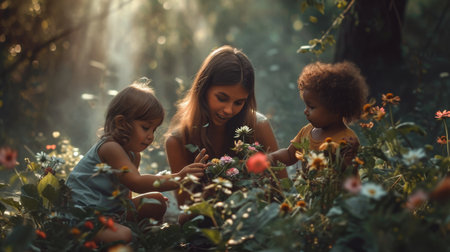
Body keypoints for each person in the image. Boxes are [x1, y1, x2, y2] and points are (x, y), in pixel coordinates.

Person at [66, 78, 208, 244]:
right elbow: (137, 182)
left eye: (154, 129)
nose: (151, 136)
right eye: (145, 127)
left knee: (157, 201)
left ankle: (144, 240)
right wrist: (179, 178)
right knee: (123, 235)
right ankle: (77, 238)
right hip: (84, 217)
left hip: (110, 212)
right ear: (122, 123)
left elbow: (127, 198)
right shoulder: (110, 148)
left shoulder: (133, 155)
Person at [165, 45, 287, 209]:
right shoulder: (178, 141)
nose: (229, 110)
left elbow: (284, 190)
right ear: (203, 89)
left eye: (239, 102)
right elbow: (186, 209)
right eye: (222, 98)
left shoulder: (258, 126)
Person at [268, 61, 369, 168]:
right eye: (306, 105)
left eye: (311, 107)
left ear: (335, 109)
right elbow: (289, 155)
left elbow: (348, 173)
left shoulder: (346, 140)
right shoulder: (306, 131)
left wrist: (348, 158)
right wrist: (270, 157)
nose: (305, 111)